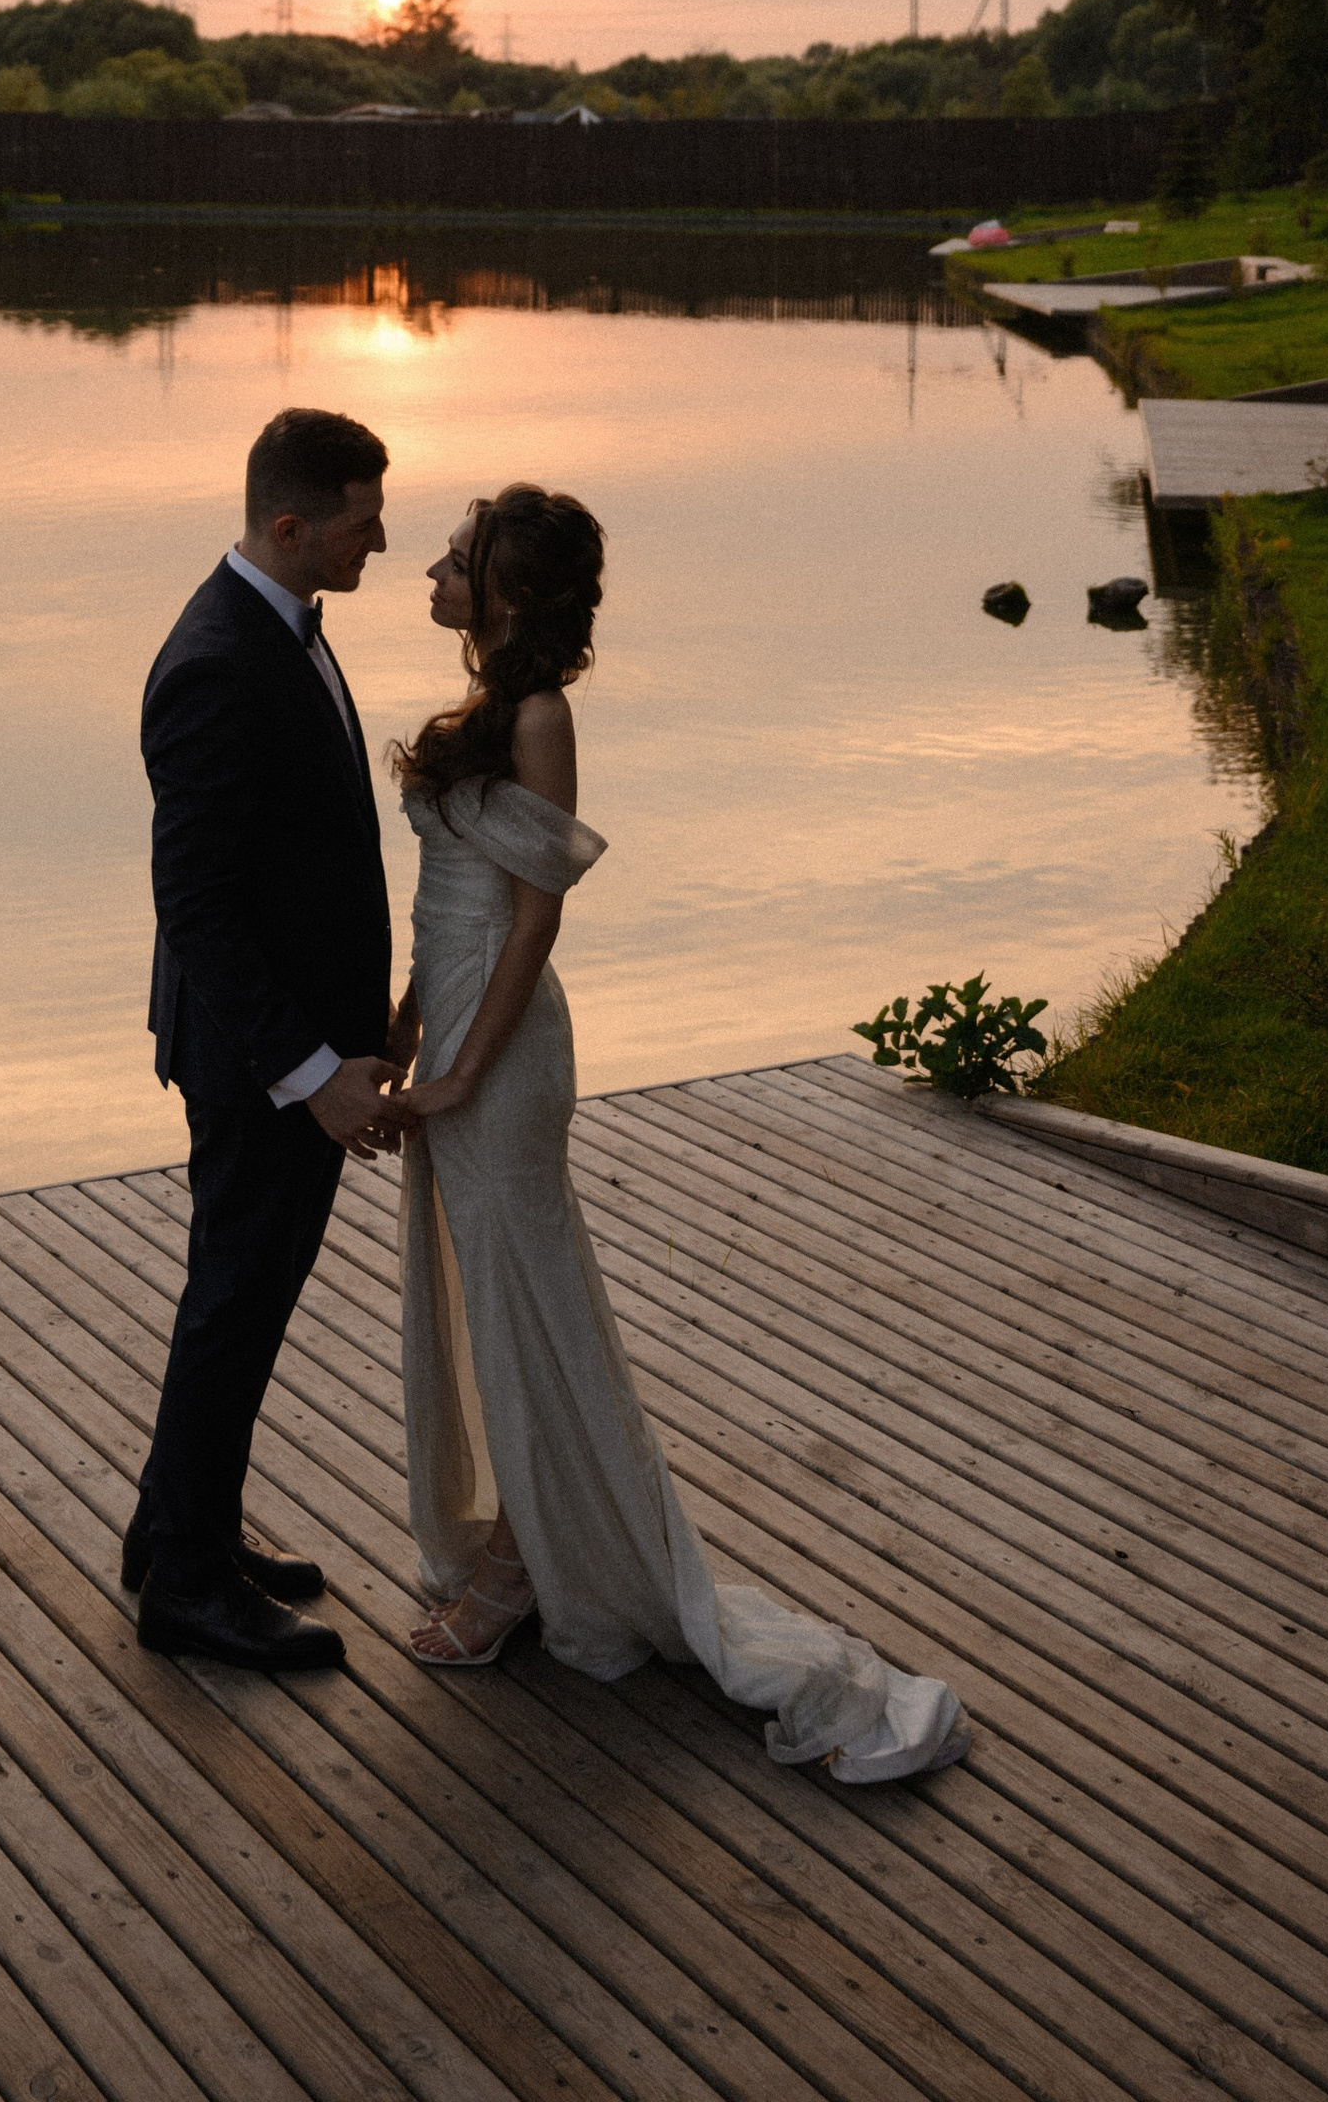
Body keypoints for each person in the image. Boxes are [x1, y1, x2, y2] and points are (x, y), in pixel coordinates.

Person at [386, 485, 971, 1787]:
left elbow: (532, 929)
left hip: (508, 1058)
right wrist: (400, 1035)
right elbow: (444, 908)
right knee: (494, 1303)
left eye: (458, 559)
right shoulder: (481, 714)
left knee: (533, 1305)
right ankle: (524, 1548)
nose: (430, 567)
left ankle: (530, 1568)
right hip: (454, 1042)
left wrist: (457, 1077)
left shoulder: (540, 719)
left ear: (512, 597)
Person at [125, 405, 402, 1671]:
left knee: (240, 1302)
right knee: (233, 1305)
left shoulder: (284, 625)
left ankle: (178, 1530)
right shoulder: (217, 662)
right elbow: (198, 908)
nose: (381, 543)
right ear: (289, 526)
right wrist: (309, 1076)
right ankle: (183, 1587)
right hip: (260, 1065)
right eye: (359, 523)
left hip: (294, 1053)